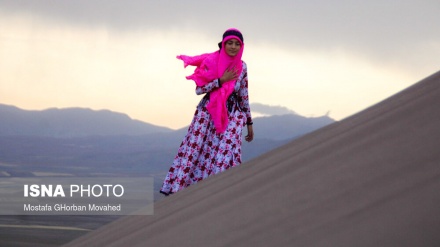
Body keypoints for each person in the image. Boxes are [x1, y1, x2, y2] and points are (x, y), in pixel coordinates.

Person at [159, 28, 254, 196]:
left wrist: (249, 122)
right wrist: (220, 81)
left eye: (237, 44)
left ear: (241, 46)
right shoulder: (212, 62)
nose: (233, 47)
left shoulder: (242, 66)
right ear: (223, 44)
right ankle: (188, 191)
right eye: (229, 43)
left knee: (226, 152)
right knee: (198, 151)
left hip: (232, 115)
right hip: (208, 114)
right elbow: (199, 89)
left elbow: (243, 95)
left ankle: (220, 192)